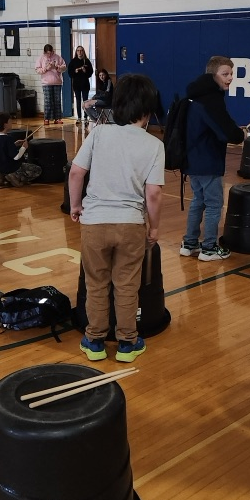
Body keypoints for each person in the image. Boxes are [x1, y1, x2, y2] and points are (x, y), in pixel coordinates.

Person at [69, 73, 164, 363]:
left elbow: (75, 173)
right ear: (148, 110)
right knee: (127, 285)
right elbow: (154, 194)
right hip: (131, 225)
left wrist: (75, 205)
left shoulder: (99, 133)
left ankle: (94, 341)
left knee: (96, 284)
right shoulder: (154, 145)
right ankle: (127, 343)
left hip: (95, 223)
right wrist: (155, 227)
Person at [180, 56, 246, 261]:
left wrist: (234, 131)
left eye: (232, 74)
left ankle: (189, 243)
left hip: (192, 160)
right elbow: (226, 132)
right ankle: (209, 247)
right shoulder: (211, 99)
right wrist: (241, 135)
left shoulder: (195, 95)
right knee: (214, 204)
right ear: (213, 75)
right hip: (208, 161)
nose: (230, 78)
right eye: (225, 74)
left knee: (198, 201)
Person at [0, 112, 42, 187]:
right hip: (12, 167)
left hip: (1, 167)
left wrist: (14, 144)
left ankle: (2, 175)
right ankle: (16, 177)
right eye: (10, 121)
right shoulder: (8, 139)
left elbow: (3, 150)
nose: (11, 123)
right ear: (5, 125)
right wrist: (24, 147)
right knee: (37, 170)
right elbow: (16, 157)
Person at [35, 44, 66, 124]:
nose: (49, 55)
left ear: (53, 51)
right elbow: (37, 69)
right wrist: (45, 69)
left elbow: (64, 68)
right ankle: (47, 118)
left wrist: (56, 67)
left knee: (57, 100)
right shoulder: (41, 58)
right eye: (48, 53)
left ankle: (58, 118)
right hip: (46, 83)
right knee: (48, 101)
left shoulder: (58, 57)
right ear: (44, 52)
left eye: (51, 53)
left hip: (57, 82)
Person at [68, 45, 93, 120]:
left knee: (85, 101)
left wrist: (85, 71)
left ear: (83, 52)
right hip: (77, 84)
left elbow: (90, 73)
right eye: (78, 50)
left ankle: (86, 117)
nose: (80, 52)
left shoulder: (87, 61)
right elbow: (70, 73)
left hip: (85, 84)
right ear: (76, 52)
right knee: (78, 101)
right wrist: (75, 71)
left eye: (81, 50)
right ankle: (79, 117)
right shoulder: (73, 61)